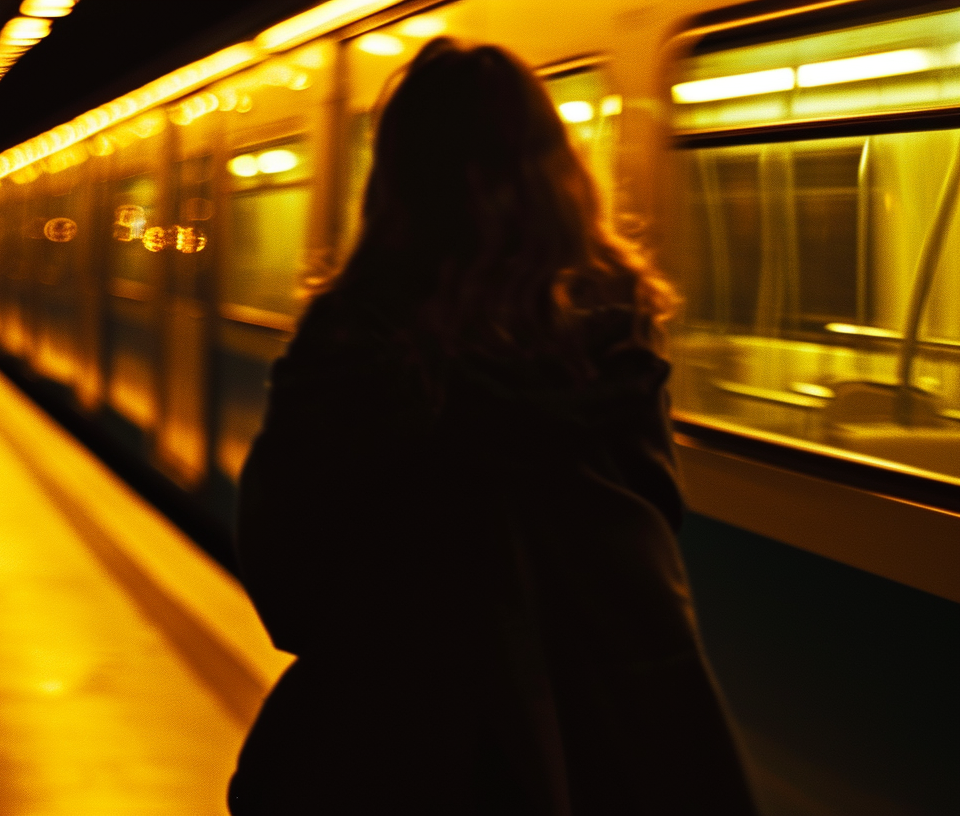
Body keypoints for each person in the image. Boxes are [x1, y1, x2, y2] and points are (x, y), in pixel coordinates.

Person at [227, 40, 758, 815]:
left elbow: (289, 576)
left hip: (395, 746)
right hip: (600, 740)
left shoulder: (353, 333)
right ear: (561, 169)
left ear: (395, 178)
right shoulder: (618, 325)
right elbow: (648, 523)